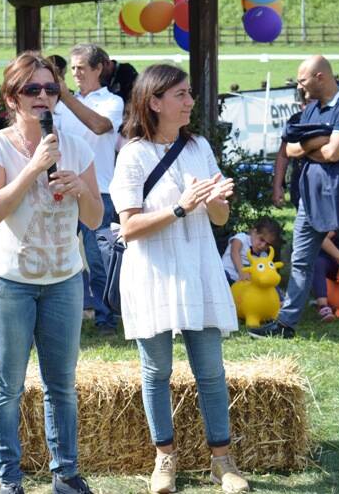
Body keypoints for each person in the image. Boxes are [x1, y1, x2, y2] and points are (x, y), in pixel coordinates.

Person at [109, 64, 248, 494]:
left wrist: (219, 200)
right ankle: (163, 460)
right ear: (154, 102)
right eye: (181, 95)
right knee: (156, 372)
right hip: (152, 271)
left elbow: (220, 218)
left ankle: (222, 463)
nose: (190, 101)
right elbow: (127, 227)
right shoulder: (132, 154)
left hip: (199, 267)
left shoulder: (199, 146)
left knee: (210, 370)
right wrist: (182, 207)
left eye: (189, 94)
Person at [0, 52, 103, 494]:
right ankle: (10, 481)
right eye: (34, 89)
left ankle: (65, 474)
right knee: (8, 386)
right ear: (12, 97)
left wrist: (81, 187)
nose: (45, 96)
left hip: (63, 279)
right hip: (8, 281)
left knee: (61, 385)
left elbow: (97, 218)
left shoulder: (77, 144)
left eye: (52, 89)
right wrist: (33, 168)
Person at [248, 55, 339, 341]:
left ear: (320, 77)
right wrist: (322, 138)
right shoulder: (311, 109)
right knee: (300, 261)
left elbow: (334, 154)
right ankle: (285, 325)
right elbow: (290, 150)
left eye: (303, 80)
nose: (300, 87)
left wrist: (312, 144)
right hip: (310, 199)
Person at [54, 43, 123, 335]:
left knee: (98, 260)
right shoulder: (59, 105)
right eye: (72, 68)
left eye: (81, 67)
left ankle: (107, 317)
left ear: (99, 68)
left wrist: (66, 96)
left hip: (100, 190)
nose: (75, 73)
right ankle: (57, 315)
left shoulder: (112, 102)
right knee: (58, 255)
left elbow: (98, 126)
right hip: (62, 188)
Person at [272, 88, 310, 209]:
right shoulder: (295, 121)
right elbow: (283, 155)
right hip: (300, 187)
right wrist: (277, 186)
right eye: (306, 103)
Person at [222, 217, 283, 285]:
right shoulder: (241, 238)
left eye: (267, 244)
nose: (263, 245)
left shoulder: (264, 256)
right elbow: (234, 252)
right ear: (254, 232)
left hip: (244, 285)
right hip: (226, 276)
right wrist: (242, 272)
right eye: (261, 239)